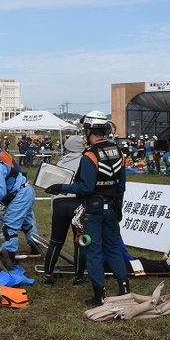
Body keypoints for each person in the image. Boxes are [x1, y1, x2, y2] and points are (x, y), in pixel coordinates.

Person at [45, 110, 129, 306]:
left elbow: (86, 187)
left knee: (93, 251)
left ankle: (100, 296)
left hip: (94, 210)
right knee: (113, 248)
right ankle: (124, 289)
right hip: (113, 207)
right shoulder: (118, 152)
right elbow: (122, 185)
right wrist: (119, 207)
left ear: (89, 130)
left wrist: (61, 187)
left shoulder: (89, 156)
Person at [43, 135, 85, 285]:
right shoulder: (85, 160)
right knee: (79, 241)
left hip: (59, 203)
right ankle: (78, 278)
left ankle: (47, 276)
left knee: (55, 241)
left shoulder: (61, 161)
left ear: (68, 148)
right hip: (78, 203)